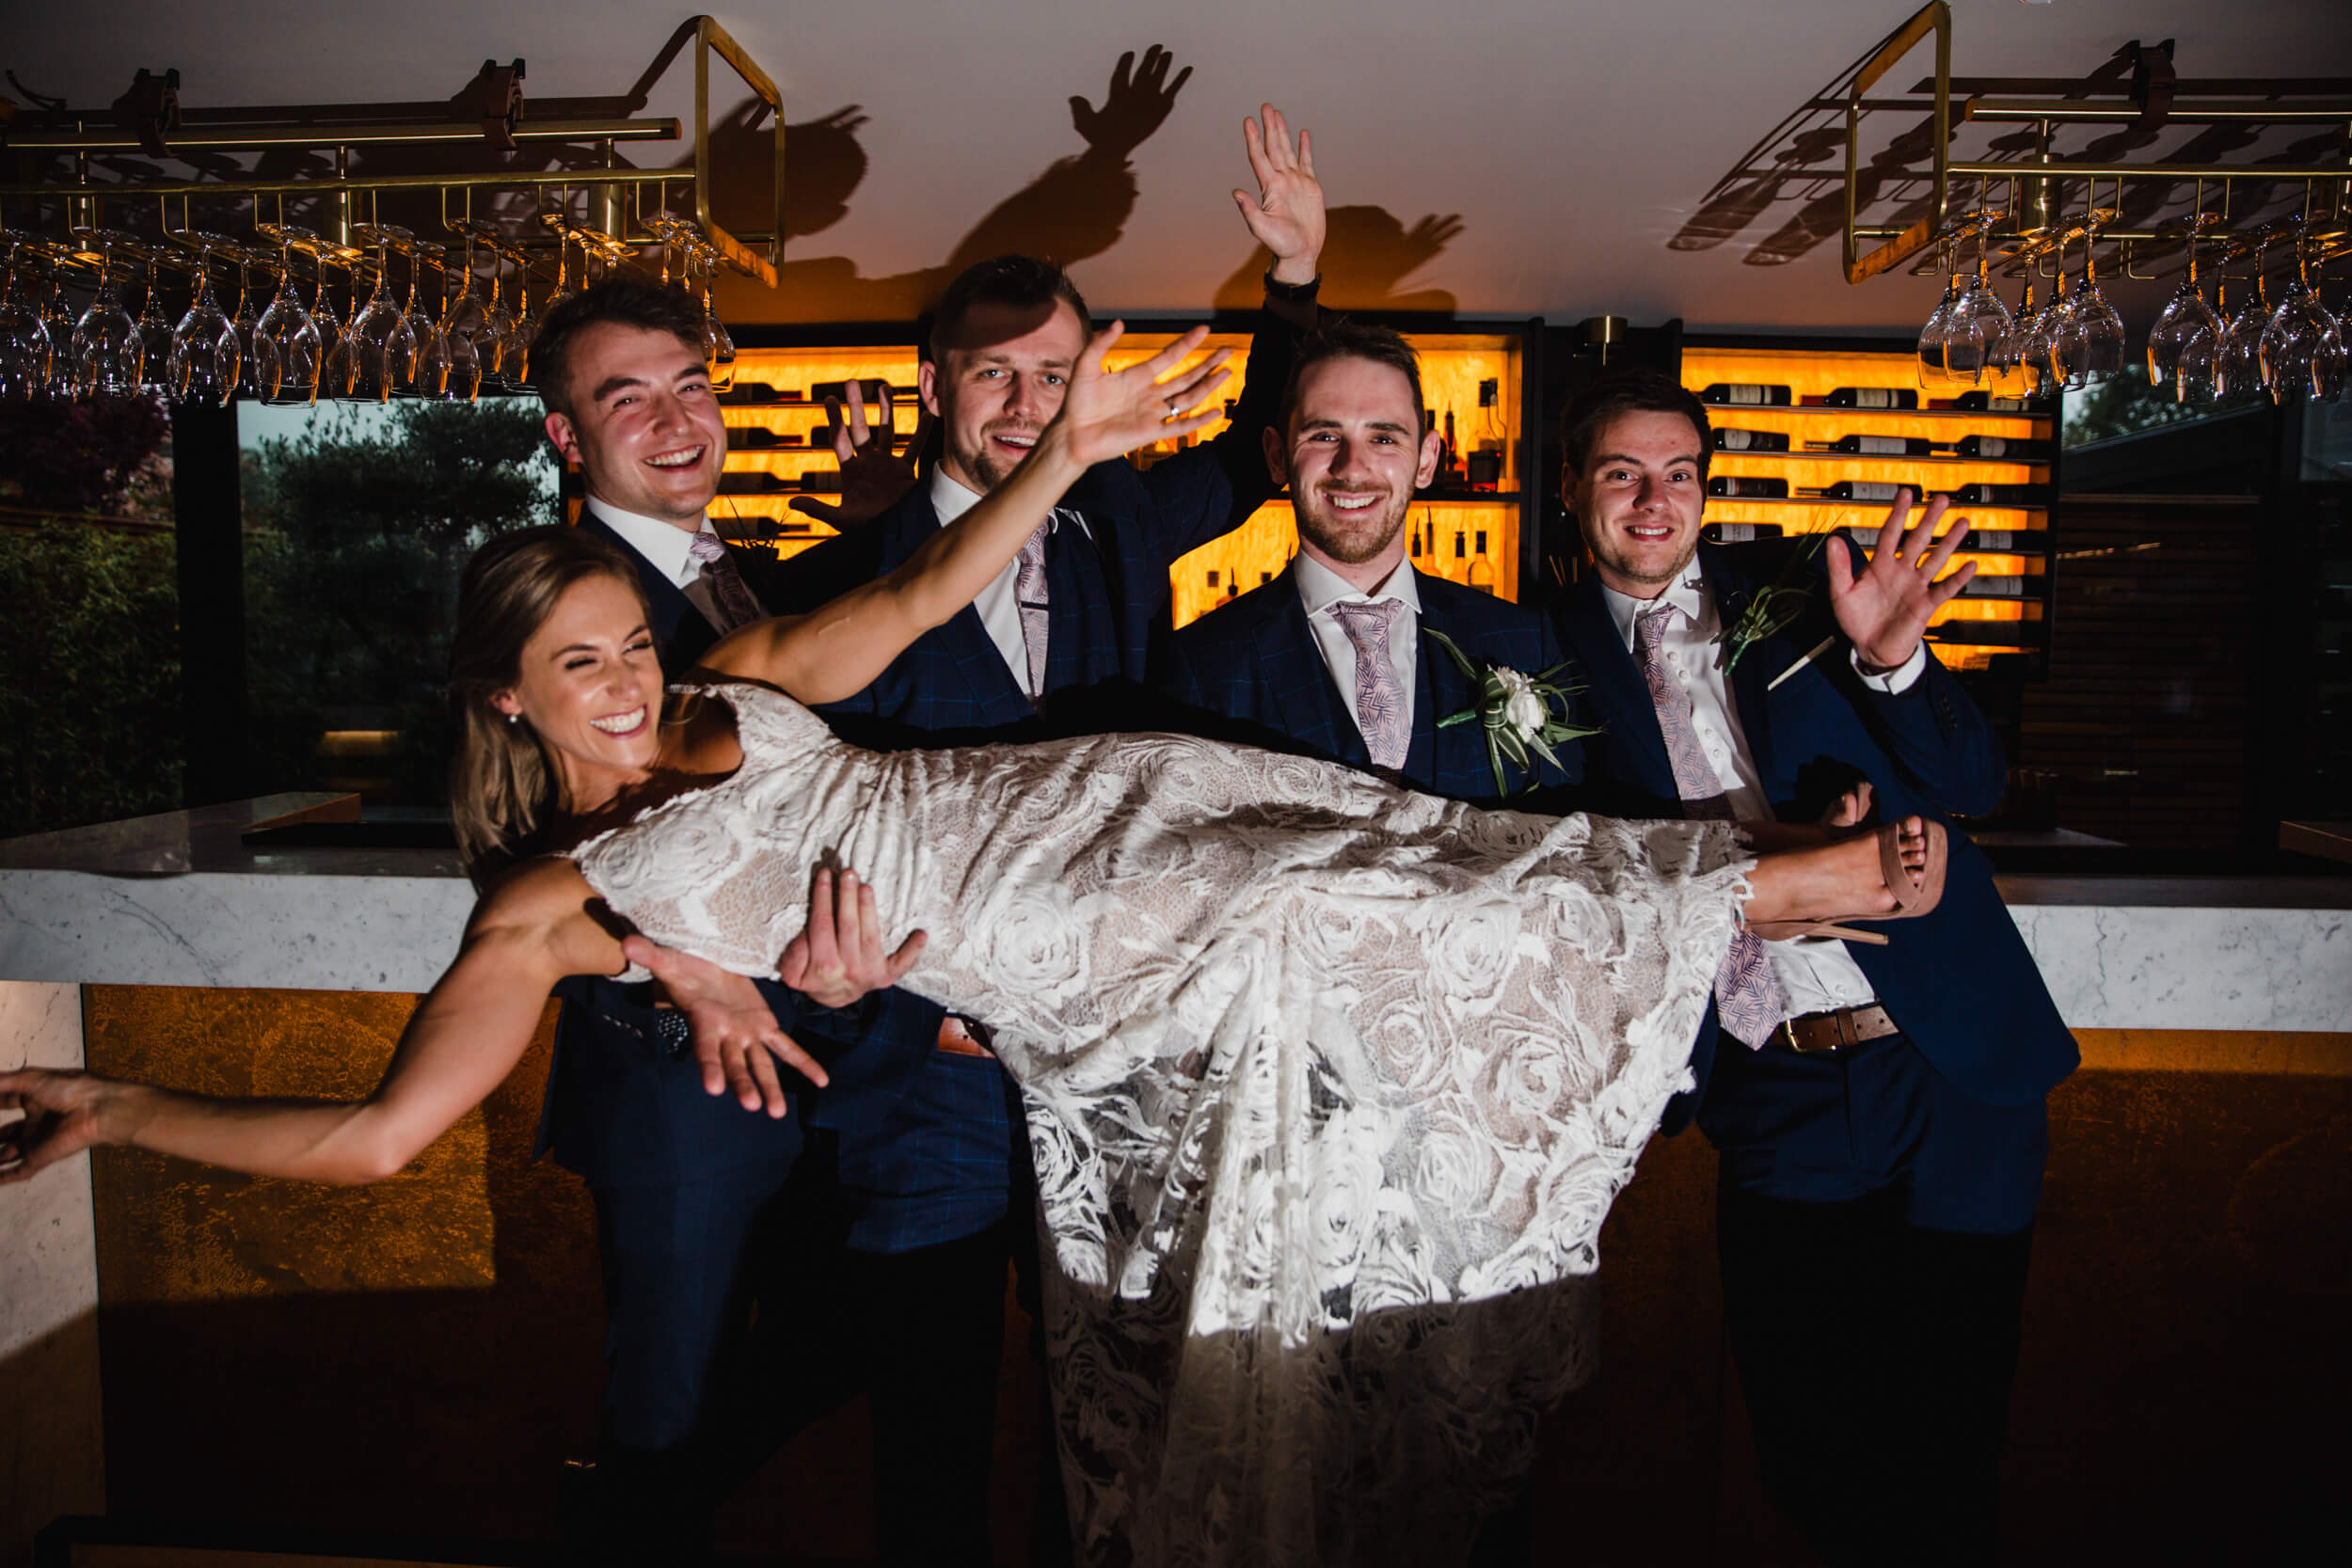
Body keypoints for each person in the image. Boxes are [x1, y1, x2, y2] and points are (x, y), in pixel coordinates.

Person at [3, 323, 1946, 1567]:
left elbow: (932, 574)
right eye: (573, 665)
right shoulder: (546, 908)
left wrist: (1067, 449)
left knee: (1395, 831)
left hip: (1110, 791)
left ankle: (1746, 849)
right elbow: (373, 1141)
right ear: (501, 701)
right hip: (1036, 926)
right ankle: (1762, 890)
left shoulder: (736, 674)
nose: (618, 683)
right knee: (1322, 906)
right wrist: (111, 1100)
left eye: (624, 641)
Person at [744, 103, 1331, 1564]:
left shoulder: (1120, 522)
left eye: (1055, 378)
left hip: (1106, 1070)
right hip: (925, 1087)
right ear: (932, 379)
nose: (1024, 404)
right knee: (927, 1427)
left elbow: (1269, 454)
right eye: (995, 374)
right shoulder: (833, 580)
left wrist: (1297, 278)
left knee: (1114, 1415)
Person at [1545, 368, 2076, 1566]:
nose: (1652, 498)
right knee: (1811, 1448)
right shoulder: (1528, 659)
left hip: (1948, 1070)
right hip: (1769, 1084)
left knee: (1950, 1445)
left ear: (1704, 488)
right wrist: (1771, 869)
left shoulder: (1807, 592)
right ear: (1571, 488)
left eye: (1678, 472)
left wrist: (1896, 662)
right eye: (1621, 472)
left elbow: (1972, 787)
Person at [497, 276, 935, 1560]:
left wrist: (873, 523)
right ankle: (621, 1516)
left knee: (819, 1341)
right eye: (626, 398)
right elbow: (520, 826)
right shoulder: (569, 590)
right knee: (666, 1407)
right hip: (672, 1086)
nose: (676, 418)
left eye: (692, 385)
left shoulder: (713, 569)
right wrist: (669, 957)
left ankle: (636, 1508)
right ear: (567, 438)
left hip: (792, 1061)